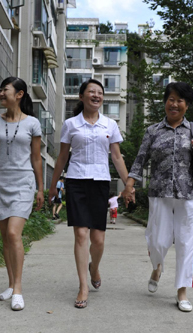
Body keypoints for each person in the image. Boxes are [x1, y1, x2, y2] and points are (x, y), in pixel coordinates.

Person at [122, 82, 193, 313]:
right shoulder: (153, 131)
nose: (174, 104)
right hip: (159, 193)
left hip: (189, 194)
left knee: (186, 243)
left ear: (187, 105)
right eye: (170, 99)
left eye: (180, 100)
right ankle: (157, 266)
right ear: (165, 102)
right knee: (157, 241)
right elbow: (139, 160)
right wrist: (129, 186)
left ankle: (182, 291)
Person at [49, 79, 131, 309]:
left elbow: (116, 157)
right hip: (76, 181)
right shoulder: (71, 124)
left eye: (100, 93)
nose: (96, 95)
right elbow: (63, 157)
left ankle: (94, 267)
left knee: (98, 239)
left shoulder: (110, 125)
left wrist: (129, 185)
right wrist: (53, 185)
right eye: (91, 92)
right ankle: (83, 286)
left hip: (100, 183)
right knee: (81, 235)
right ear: (82, 97)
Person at [0, 77, 44, 311]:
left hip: (23, 182)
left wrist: (40, 188)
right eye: (1, 90)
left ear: (19, 94)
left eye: (5, 90)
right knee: (5, 238)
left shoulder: (33, 123)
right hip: (0, 181)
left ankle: (19, 290)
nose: (1, 93)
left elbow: (36, 159)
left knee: (14, 234)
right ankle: (11, 285)